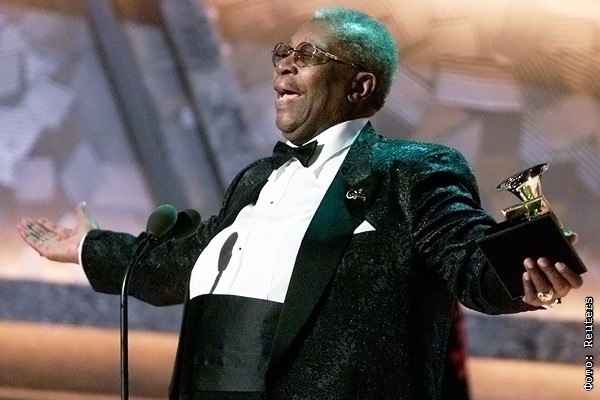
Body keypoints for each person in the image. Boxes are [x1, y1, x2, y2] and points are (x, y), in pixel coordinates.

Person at [17, 7, 583, 400]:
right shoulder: (254, 180)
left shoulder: (409, 170)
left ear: (360, 86)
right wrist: (90, 247)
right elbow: (184, 262)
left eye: (307, 54)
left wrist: (522, 276)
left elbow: (466, 257)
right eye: (281, 52)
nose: (284, 64)